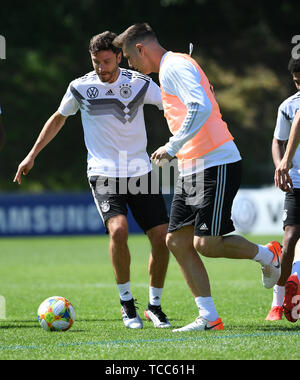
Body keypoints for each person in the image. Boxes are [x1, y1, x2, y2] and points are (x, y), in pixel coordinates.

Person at [114, 23, 282, 332]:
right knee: (176, 241)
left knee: (205, 243)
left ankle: (268, 254)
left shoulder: (174, 65)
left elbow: (200, 106)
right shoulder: (169, 68)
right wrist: (180, 152)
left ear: (140, 49)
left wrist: (171, 146)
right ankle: (209, 317)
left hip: (215, 162)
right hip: (193, 166)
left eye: (127, 57)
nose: (128, 65)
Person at [14, 31, 171, 330]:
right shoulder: (81, 87)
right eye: (96, 62)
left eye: (107, 61)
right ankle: (127, 304)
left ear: (120, 57)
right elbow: (59, 117)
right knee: (119, 230)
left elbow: (171, 106)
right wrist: (31, 155)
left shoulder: (139, 84)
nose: (102, 68)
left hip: (140, 171)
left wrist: (183, 132)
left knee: (162, 237)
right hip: (102, 172)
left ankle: (155, 306)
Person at [265, 58, 300, 322]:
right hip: (297, 182)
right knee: (289, 241)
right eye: (297, 81)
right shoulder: (288, 106)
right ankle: (278, 302)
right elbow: (278, 140)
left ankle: (296, 280)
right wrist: (281, 166)